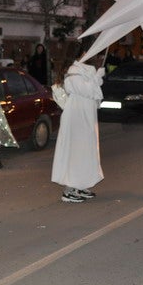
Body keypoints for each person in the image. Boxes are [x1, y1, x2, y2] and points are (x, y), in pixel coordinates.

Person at [51, 47, 106, 203]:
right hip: (76, 117)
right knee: (75, 151)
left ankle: (81, 184)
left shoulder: (87, 71)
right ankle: (69, 189)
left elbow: (94, 92)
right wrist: (96, 78)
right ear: (80, 54)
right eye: (87, 52)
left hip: (87, 116)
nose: (91, 54)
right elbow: (87, 90)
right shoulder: (74, 72)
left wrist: (96, 77)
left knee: (86, 151)